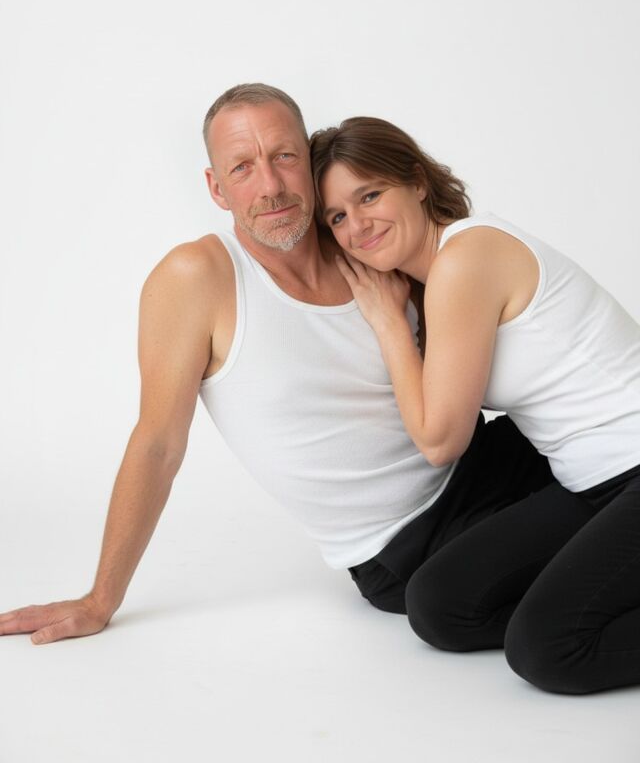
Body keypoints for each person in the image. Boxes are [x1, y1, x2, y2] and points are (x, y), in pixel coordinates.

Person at [0, 85, 553, 648]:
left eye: (284, 156)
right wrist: (101, 599)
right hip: (407, 545)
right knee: (505, 610)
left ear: (309, 162)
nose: (270, 186)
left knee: (600, 470)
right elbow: (158, 444)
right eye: (242, 167)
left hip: (496, 459)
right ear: (216, 187)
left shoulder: (359, 237)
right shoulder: (197, 278)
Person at [310, 115, 640, 695]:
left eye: (370, 195)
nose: (357, 225)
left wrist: (389, 325)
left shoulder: (467, 258)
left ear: (417, 181)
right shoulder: (433, 282)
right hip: (591, 484)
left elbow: (441, 440)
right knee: (441, 605)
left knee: (548, 648)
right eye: (337, 216)